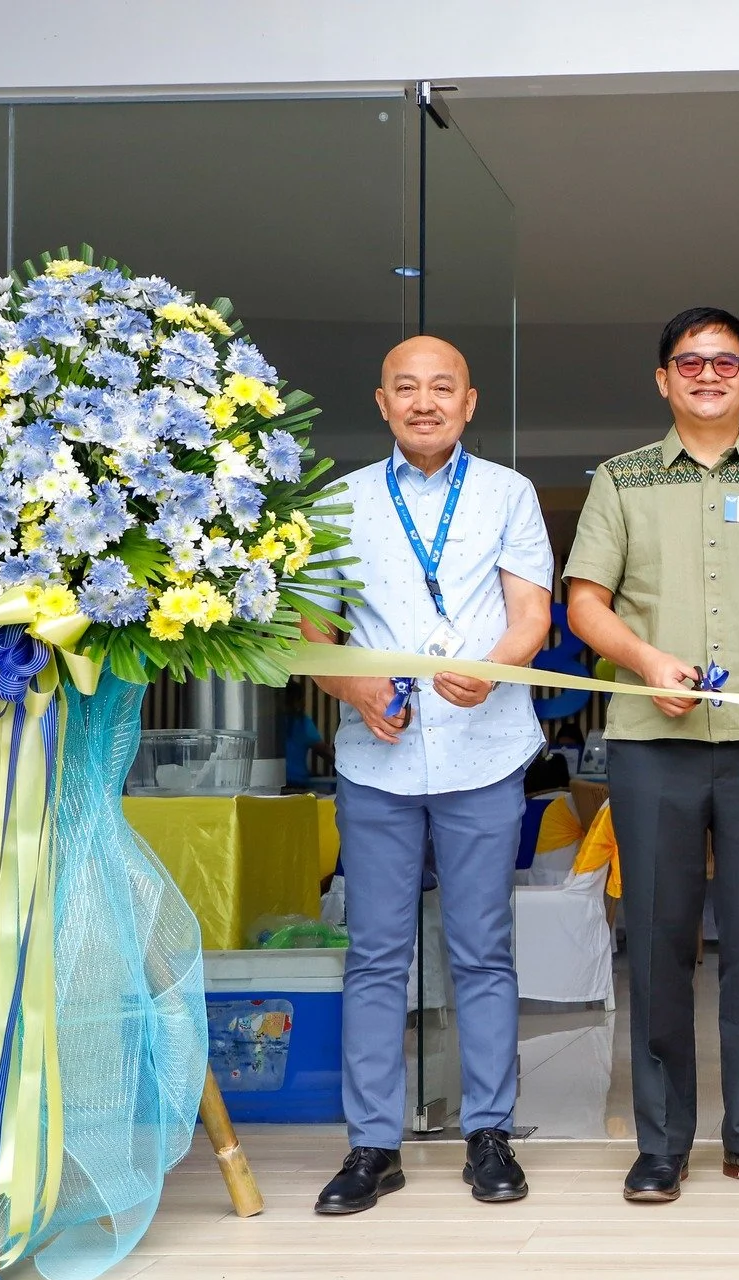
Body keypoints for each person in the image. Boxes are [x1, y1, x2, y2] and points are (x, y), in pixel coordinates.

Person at [565, 306, 739, 1203]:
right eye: (690, 360)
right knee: (661, 942)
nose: (708, 373)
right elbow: (586, 605)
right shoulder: (620, 479)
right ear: (663, 378)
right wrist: (644, 662)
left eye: (727, 361)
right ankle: (662, 1143)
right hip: (653, 741)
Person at [301, 335, 554, 1215]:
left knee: (481, 949)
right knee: (375, 954)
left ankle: (489, 1132)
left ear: (469, 401)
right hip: (378, 757)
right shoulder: (338, 501)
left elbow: (531, 614)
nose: (423, 401)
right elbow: (309, 637)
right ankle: (373, 1144)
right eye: (405, 388)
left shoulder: (509, 494)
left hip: (484, 751)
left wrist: (495, 665)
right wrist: (351, 684)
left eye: (441, 387)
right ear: (381, 403)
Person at [280, 683, 334, 793]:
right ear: (298, 700)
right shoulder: (302, 723)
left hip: (270, 782)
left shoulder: (267, 722)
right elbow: (325, 752)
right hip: (297, 783)